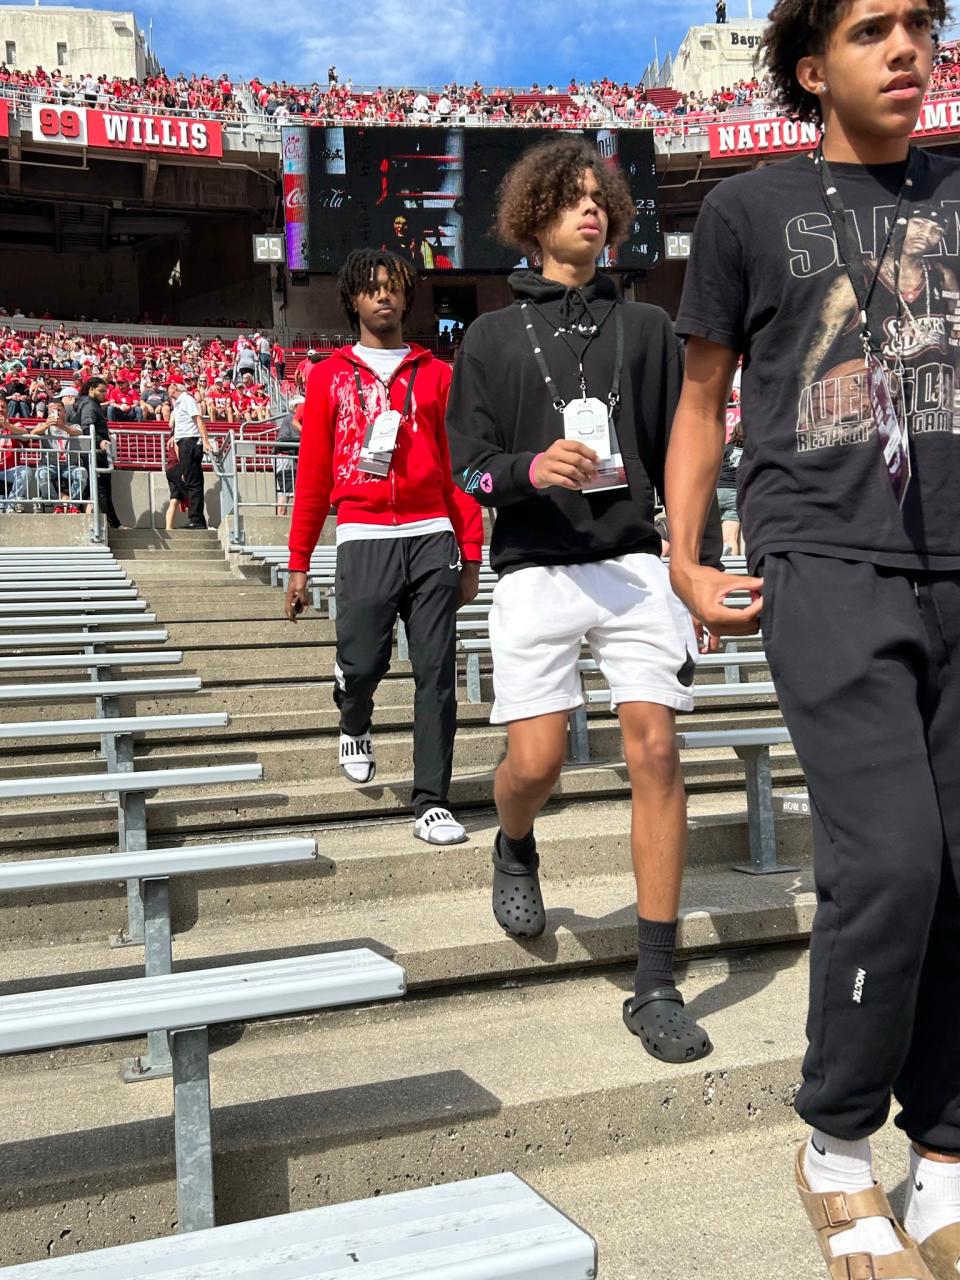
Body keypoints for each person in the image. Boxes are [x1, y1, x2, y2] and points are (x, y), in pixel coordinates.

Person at [666, 2, 960, 1276]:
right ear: (810, 67)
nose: (907, 48)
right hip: (826, 553)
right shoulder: (745, 209)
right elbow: (700, 399)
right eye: (874, 28)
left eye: (924, 24)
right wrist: (685, 553)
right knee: (891, 858)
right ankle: (835, 1142)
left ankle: (944, 1156)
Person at [445, 136, 720, 1061]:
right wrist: (529, 468)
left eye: (600, 197)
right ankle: (514, 840)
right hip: (530, 566)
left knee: (655, 747)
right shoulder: (485, 337)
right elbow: (470, 476)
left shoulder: (647, 330)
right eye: (569, 198)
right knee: (538, 759)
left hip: (634, 562)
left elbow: (685, 458)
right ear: (531, 220)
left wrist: (698, 568)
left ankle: (654, 980)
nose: (591, 209)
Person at [284, 248, 484, 846]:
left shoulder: (439, 374)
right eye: (371, 288)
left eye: (393, 286)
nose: (383, 296)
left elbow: (461, 469)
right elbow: (315, 475)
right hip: (364, 535)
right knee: (364, 662)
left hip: (431, 535)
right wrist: (298, 563)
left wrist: (470, 548)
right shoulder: (327, 377)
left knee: (436, 674)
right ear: (353, 299)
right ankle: (353, 714)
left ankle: (431, 802)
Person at [74, 376, 121, 528]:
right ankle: (114, 524)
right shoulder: (89, 405)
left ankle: (94, 523)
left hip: (91, 452)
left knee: (93, 490)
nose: (104, 395)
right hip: (95, 453)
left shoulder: (89, 404)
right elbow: (88, 426)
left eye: (105, 391)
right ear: (91, 389)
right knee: (102, 489)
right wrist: (100, 441)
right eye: (101, 391)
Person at [169, 381, 213, 530]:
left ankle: (196, 520)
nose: (168, 389)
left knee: (193, 483)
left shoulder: (187, 399)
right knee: (191, 481)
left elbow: (198, 419)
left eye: (170, 386)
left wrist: (206, 442)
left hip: (190, 442)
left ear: (175, 387)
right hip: (185, 443)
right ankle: (196, 518)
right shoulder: (179, 403)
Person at [716, 421, 744, 555]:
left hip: (717, 491)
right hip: (735, 493)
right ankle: (732, 569)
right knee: (730, 537)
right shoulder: (751, 451)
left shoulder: (725, 449)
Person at [274, 395, 302, 516]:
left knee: (285, 491)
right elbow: (293, 439)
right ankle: (281, 517)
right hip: (286, 459)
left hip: (288, 459)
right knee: (287, 490)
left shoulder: (290, 419)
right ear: (296, 407)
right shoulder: (290, 418)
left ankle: (281, 516)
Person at [163, 430, 187, 530]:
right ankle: (198, 522)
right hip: (177, 467)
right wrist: (184, 470)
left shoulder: (171, 439)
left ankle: (169, 528)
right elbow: (179, 453)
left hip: (170, 469)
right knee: (193, 495)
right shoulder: (178, 438)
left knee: (174, 500)